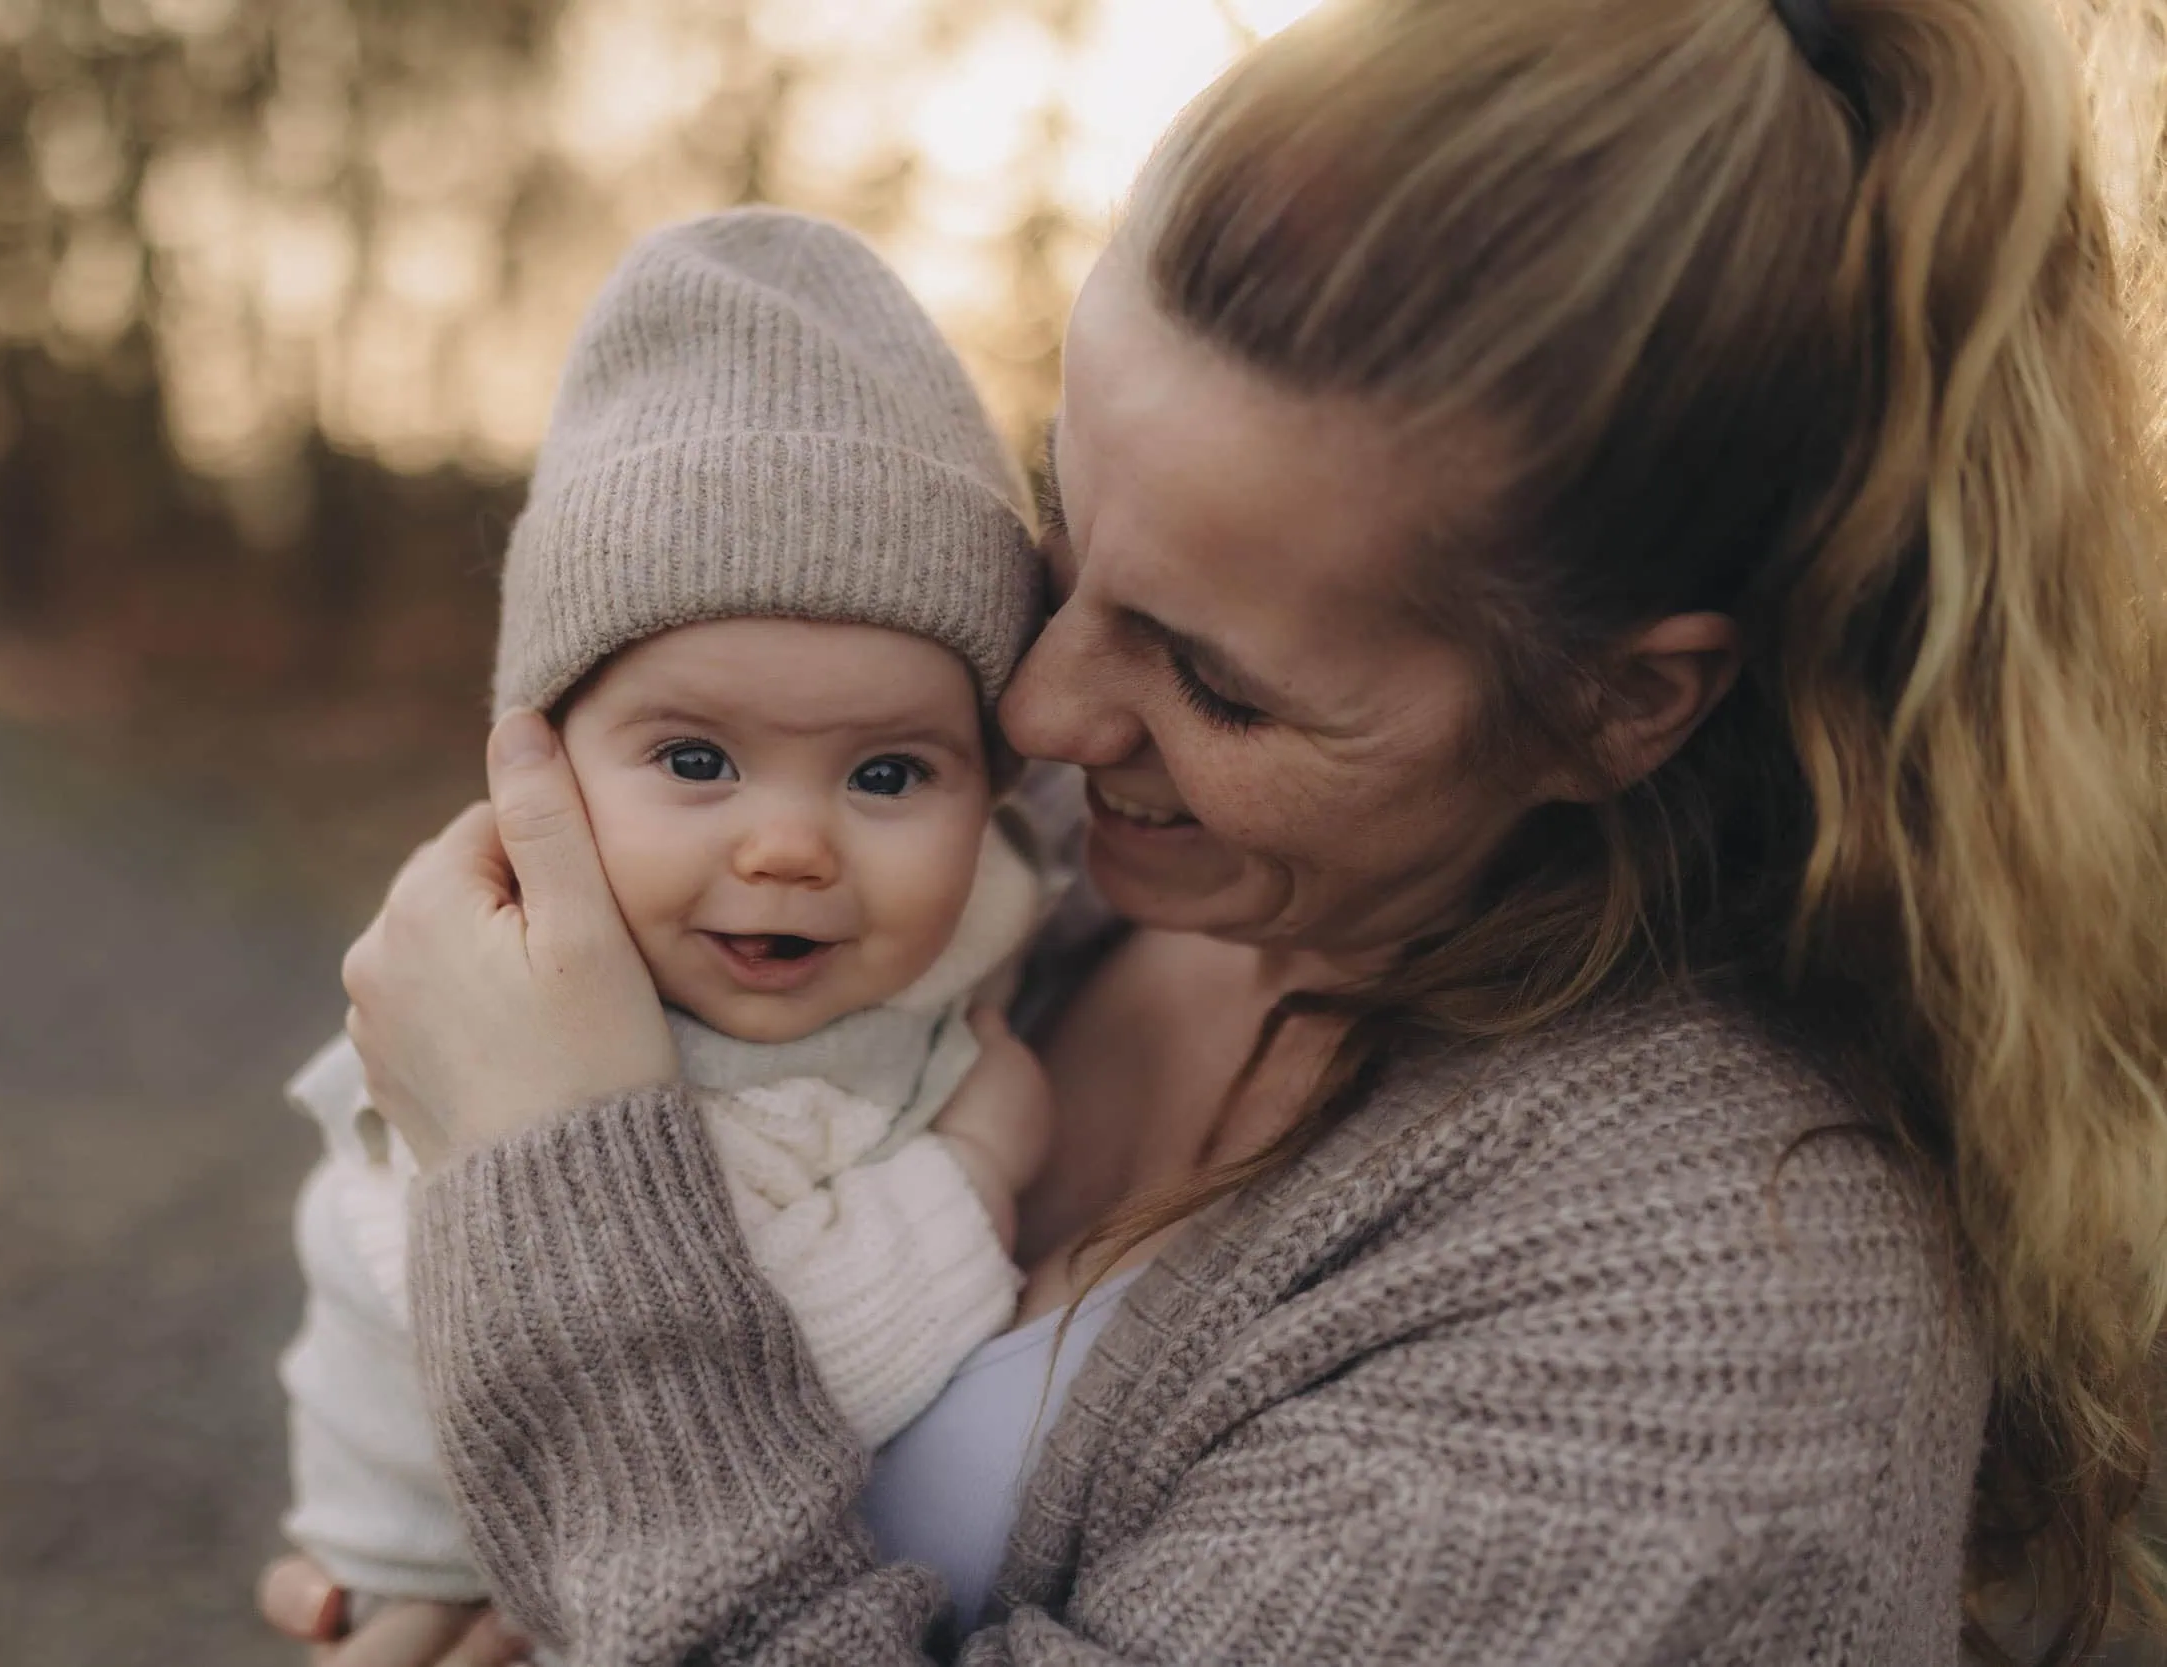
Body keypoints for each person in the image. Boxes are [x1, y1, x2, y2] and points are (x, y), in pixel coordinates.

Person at [267, 0, 2167, 1659]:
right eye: (1063, 530)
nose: (1039, 715)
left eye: (1218, 680)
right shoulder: (1082, 896)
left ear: (1617, 700)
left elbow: (659, 1493)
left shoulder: (1722, 1326)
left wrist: (552, 1193)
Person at [272, 210, 1054, 1660]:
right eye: (696, 759)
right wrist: (973, 1177)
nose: (788, 843)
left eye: (890, 774)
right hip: (445, 1574)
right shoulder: (540, 1016)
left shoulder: (999, 939)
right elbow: (777, 1380)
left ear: (998, 788)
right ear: (541, 768)